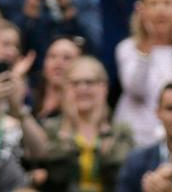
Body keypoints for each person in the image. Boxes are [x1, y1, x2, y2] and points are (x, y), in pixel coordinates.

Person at [34, 56, 134, 191]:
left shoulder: (121, 130)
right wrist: (67, 128)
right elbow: (55, 175)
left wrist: (105, 131)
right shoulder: (50, 128)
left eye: (89, 82)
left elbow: (119, 176)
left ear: (103, 87)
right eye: (75, 83)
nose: (82, 88)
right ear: (65, 88)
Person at [114, 0, 172, 145]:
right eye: (153, 4)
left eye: (167, 3)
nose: (160, 10)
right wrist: (147, 44)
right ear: (141, 10)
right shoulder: (127, 48)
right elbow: (135, 88)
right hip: (134, 140)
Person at [32, 36, 84, 121]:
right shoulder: (30, 100)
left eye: (67, 58)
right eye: (52, 56)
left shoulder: (83, 108)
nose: (58, 63)